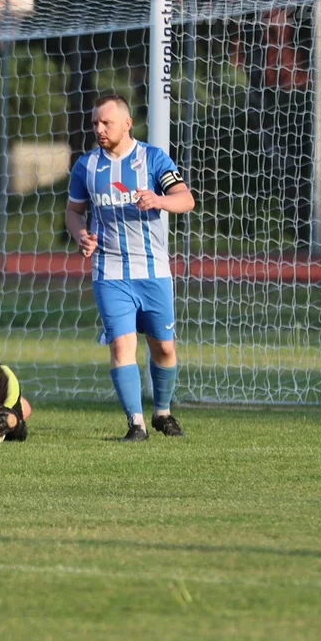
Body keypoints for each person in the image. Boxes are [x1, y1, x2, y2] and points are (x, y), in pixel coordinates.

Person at [65, 94, 195, 441]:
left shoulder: (153, 159)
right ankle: (135, 423)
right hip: (110, 273)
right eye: (95, 123)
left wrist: (159, 200)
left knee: (163, 347)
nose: (99, 129)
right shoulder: (86, 166)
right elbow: (73, 211)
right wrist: (81, 235)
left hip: (153, 273)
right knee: (121, 346)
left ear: (126, 123)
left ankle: (162, 412)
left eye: (106, 122)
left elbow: (186, 199)